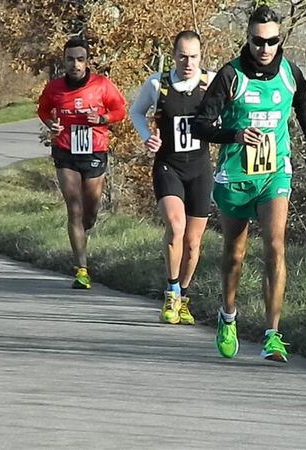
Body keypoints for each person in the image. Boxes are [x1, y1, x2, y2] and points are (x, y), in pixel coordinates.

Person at [192, 6, 306, 362]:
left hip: (274, 173)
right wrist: (235, 134)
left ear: (279, 39)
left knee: (275, 246)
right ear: (248, 39)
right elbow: (200, 125)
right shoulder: (230, 75)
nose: (265, 48)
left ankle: (273, 334)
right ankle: (228, 316)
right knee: (235, 254)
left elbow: (303, 106)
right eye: (258, 41)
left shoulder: (290, 73)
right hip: (236, 176)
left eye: (272, 41)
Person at [130, 31, 215, 325]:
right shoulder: (158, 84)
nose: (188, 62)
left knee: (193, 243)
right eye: (182, 56)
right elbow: (136, 112)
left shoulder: (211, 82)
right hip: (169, 165)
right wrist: (146, 138)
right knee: (176, 226)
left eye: (193, 56)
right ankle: (171, 289)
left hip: (201, 168)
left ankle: (185, 296)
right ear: (174, 55)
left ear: (201, 56)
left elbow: (233, 111)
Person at [38, 37, 126, 289]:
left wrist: (102, 117)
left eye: (80, 59)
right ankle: (82, 270)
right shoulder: (54, 88)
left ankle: (86, 226)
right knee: (74, 209)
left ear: (87, 62)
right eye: (70, 59)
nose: (75, 64)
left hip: (94, 152)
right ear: (63, 61)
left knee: (90, 212)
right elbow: (43, 109)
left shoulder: (102, 85)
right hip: (66, 151)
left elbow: (120, 111)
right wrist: (50, 124)